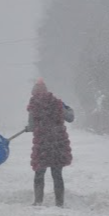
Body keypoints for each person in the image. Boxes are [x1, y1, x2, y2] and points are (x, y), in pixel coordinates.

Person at [24, 79, 74, 207]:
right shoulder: (57, 102)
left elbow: (32, 126)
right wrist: (67, 108)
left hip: (43, 145)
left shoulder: (34, 105)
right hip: (58, 143)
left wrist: (28, 128)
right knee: (57, 174)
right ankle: (59, 203)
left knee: (39, 173)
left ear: (34, 92)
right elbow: (70, 117)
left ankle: (38, 201)